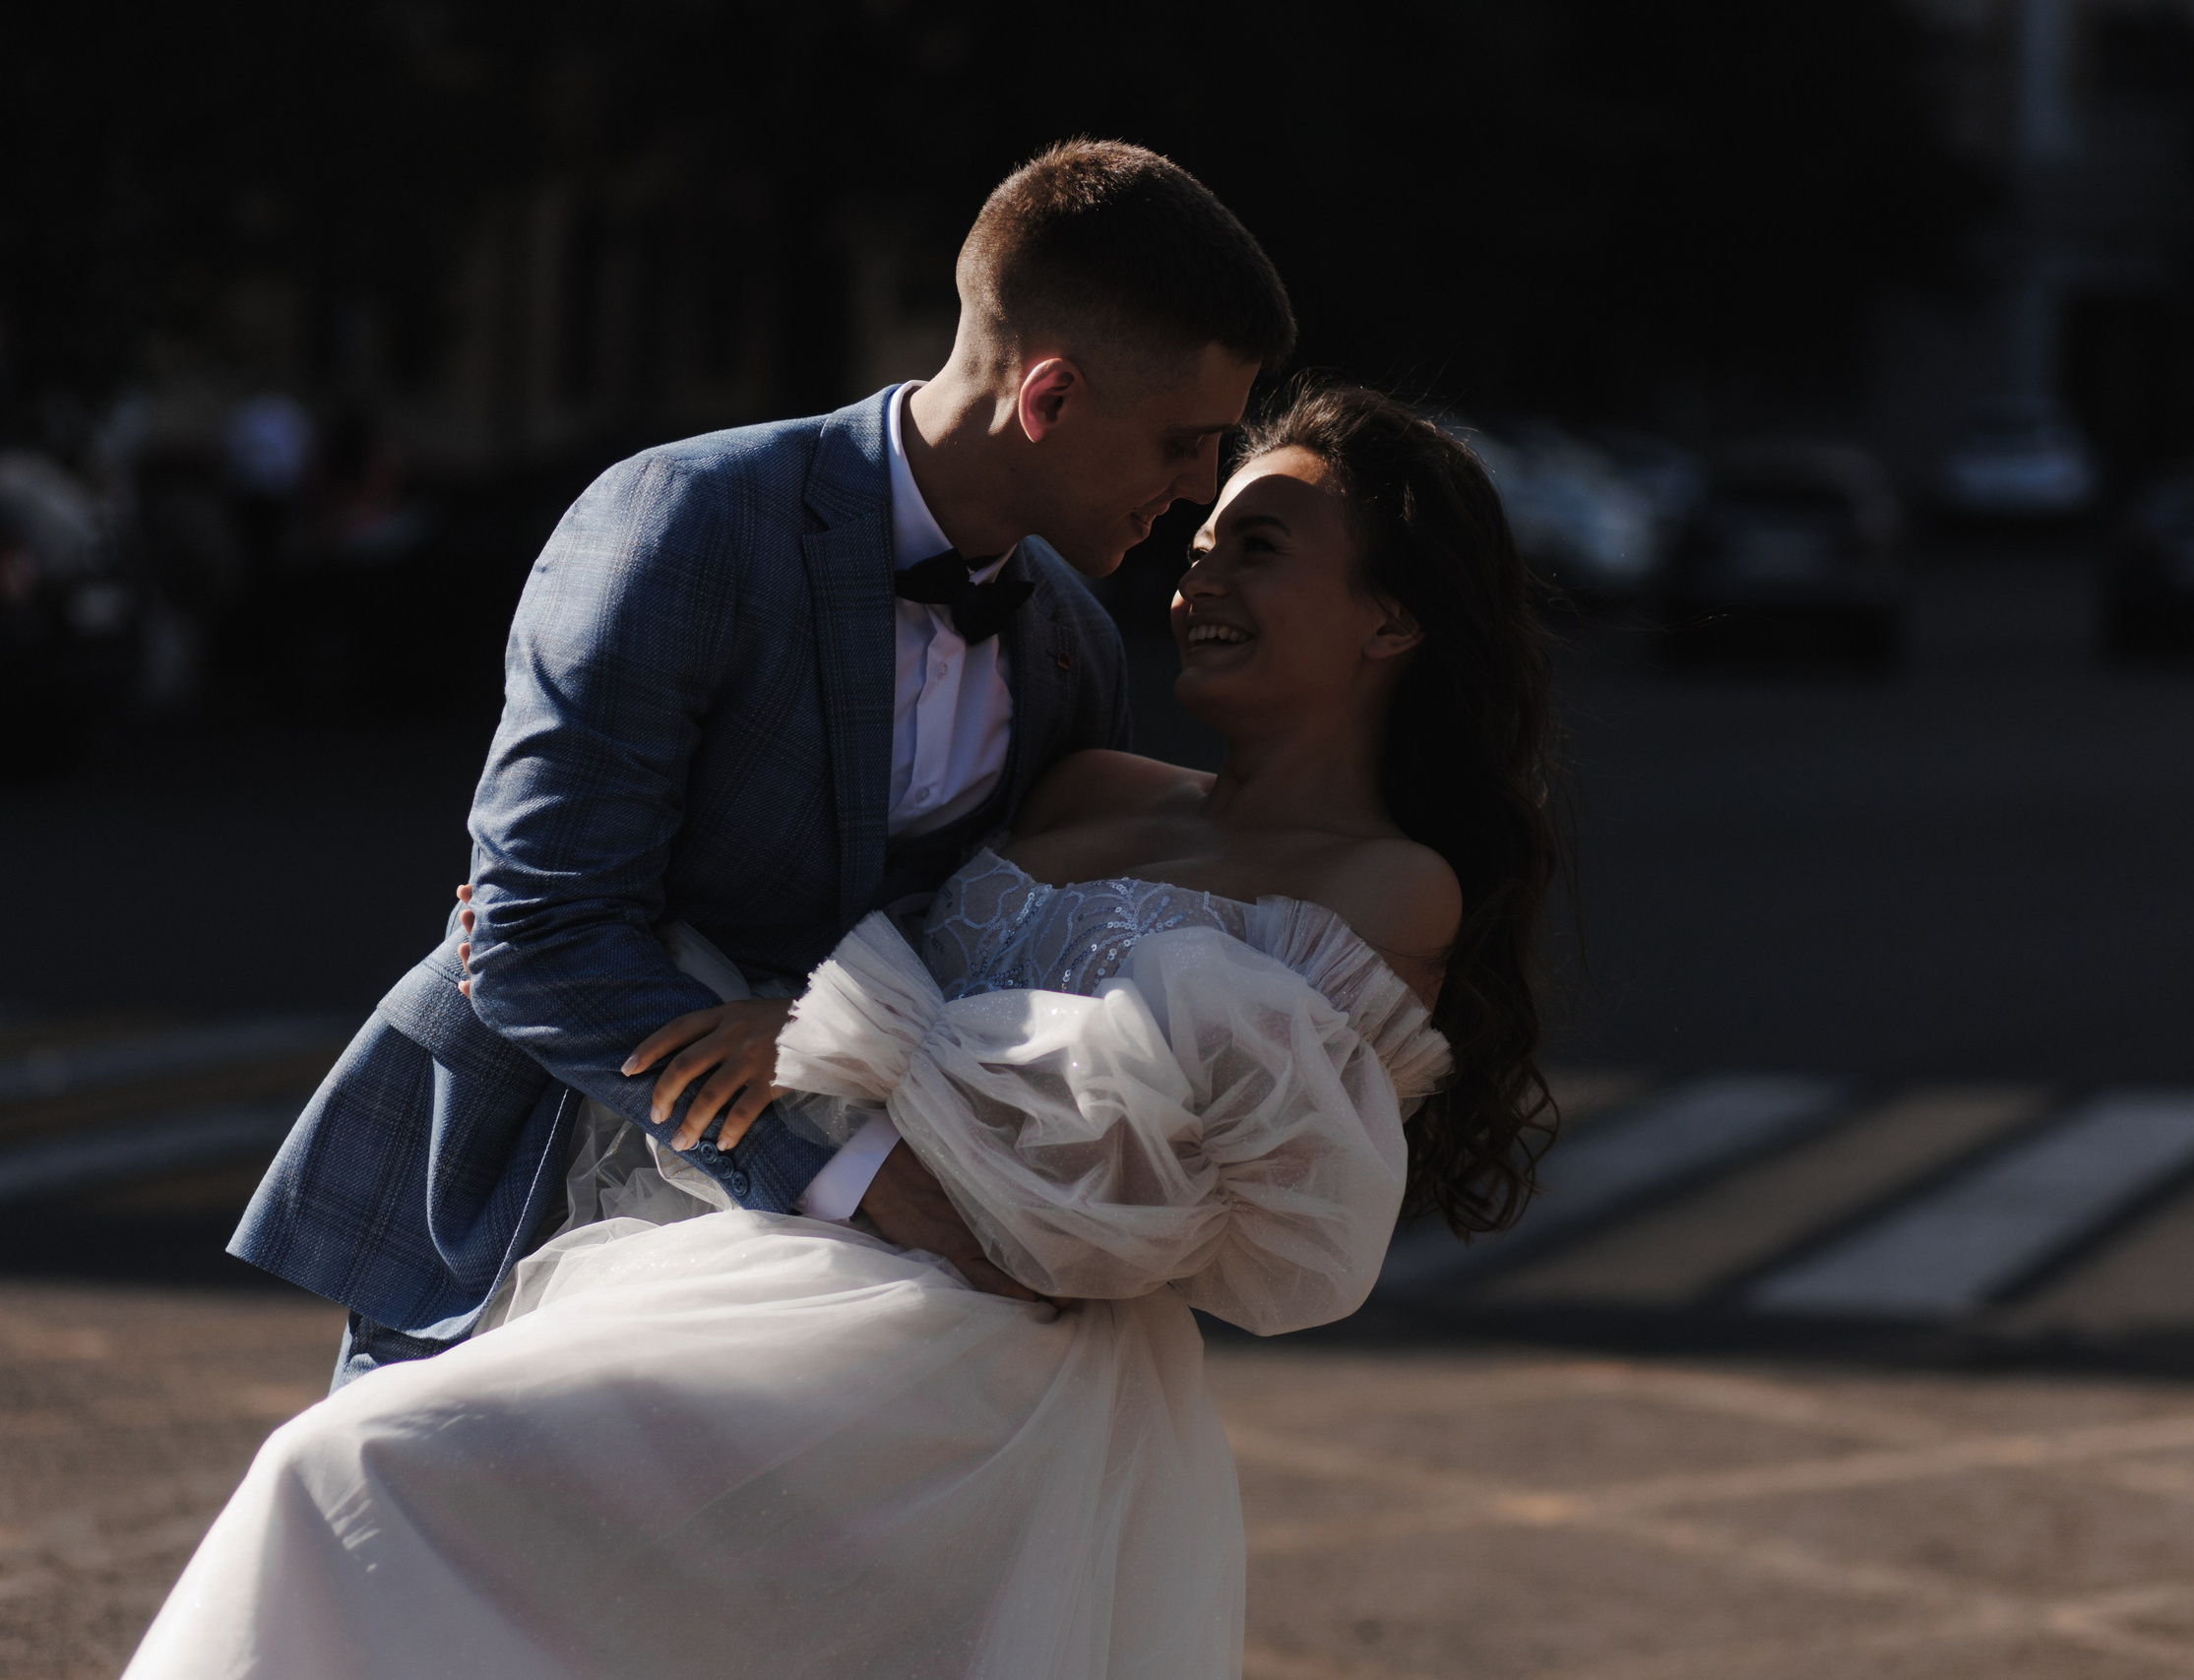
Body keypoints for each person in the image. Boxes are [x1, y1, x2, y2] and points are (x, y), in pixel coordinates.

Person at [124, 383, 1562, 1679]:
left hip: (987, 1368)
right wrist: (580, 910)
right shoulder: (1085, 782)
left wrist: (843, 1041)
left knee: (372, 1468)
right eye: (1199, 546)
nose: (1198, 573)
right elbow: (824, 917)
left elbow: (1161, 1204)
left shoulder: (1389, 886)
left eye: (1260, 546)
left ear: (1392, 616)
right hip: (772, 1251)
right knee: (392, 1493)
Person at [226, 139, 1297, 1384]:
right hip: (540, 1216)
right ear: (1048, 399)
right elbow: (539, 937)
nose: (1200, 487)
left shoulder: (1069, 643)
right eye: (1182, 441)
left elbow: (989, 955)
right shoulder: (683, 520)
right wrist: (857, 1180)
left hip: (858, 1290)